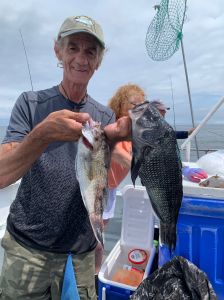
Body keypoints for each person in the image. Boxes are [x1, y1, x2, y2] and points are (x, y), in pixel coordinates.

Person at [0, 15, 117, 300]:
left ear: (98, 61)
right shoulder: (31, 104)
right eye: (72, 47)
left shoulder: (104, 117)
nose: (81, 58)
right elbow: (2, 174)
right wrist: (43, 133)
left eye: (90, 51)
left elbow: (105, 181)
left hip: (80, 256)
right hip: (27, 250)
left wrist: (132, 146)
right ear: (58, 51)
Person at [95, 84, 146, 273]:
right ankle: (90, 275)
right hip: (97, 186)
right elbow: (113, 151)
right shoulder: (112, 123)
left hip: (111, 188)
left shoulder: (136, 130)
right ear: (120, 104)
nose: (137, 110)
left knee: (100, 236)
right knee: (93, 238)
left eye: (141, 106)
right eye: (133, 105)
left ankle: (95, 276)